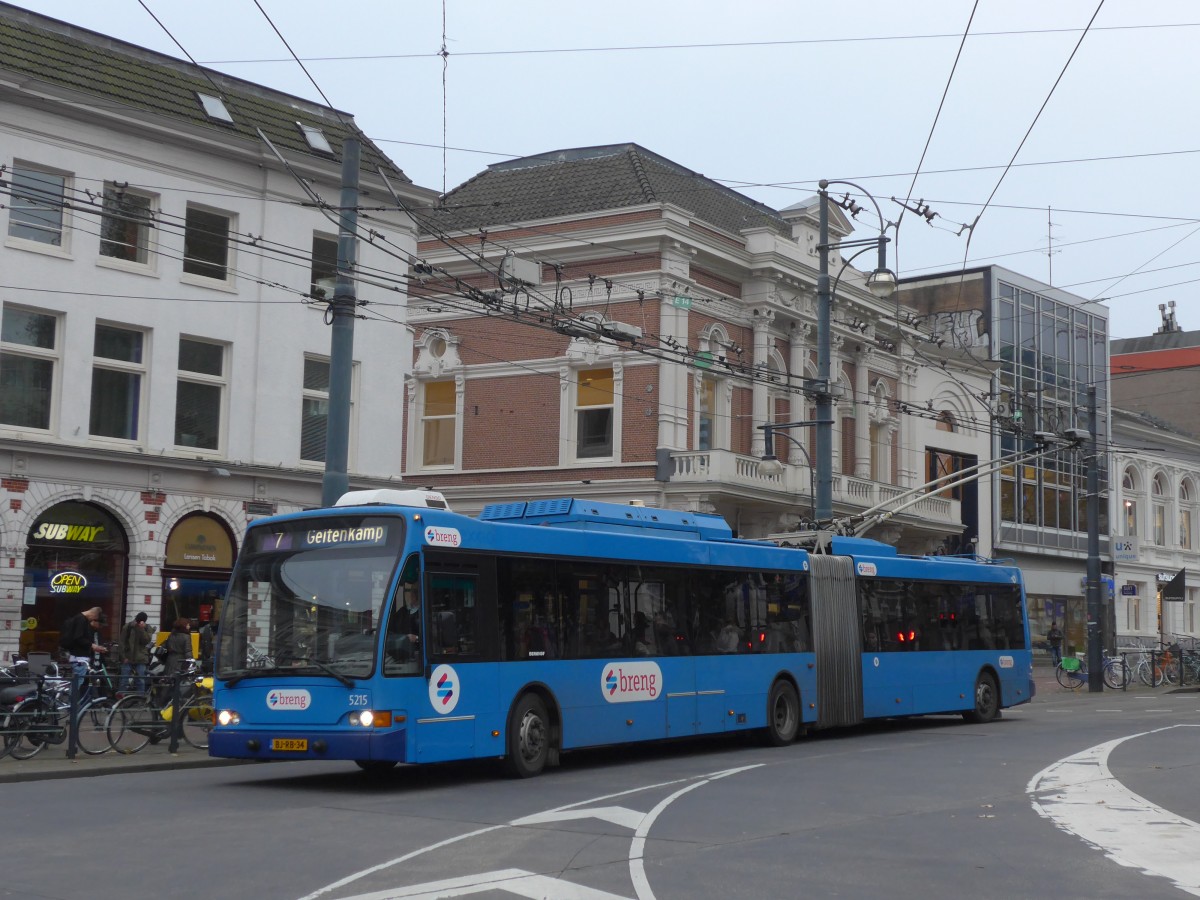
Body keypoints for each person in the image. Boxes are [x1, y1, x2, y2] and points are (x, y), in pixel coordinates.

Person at [59, 606, 105, 677]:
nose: (92, 620)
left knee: (80, 679)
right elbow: (78, 637)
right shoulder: (82, 620)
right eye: (94, 619)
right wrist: (92, 645)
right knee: (79, 680)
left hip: (77, 656)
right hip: (79, 657)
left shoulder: (78, 618)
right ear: (94, 614)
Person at [119, 612, 152, 693]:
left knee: (140, 680)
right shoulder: (128, 627)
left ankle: (140, 699)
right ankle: (121, 699)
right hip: (128, 656)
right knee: (124, 680)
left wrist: (141, 629)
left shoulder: (147, 628)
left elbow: (146, 641)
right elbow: (122, 642)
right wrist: (123, 657)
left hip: (141, 658)